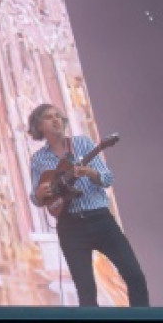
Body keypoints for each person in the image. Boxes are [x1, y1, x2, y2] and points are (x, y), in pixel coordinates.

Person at [27, 103, 148, 307]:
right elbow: (37, 198)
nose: (56, 119)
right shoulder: (38, 159)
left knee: (135, 275)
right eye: (49, 117)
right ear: (39, 127)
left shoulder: (83, 143)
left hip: (100, 219)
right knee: (86, 290)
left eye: (59, 116)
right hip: (70, 226)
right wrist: (39, 194)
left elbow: (108, 178)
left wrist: (90, 173)